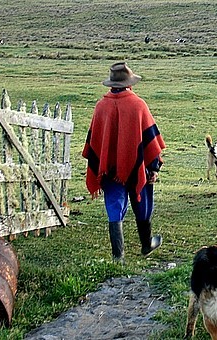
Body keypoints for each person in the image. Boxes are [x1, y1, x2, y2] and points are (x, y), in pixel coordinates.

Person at [82, 62, 167, 260]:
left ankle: (118, 256)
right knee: (142, 202)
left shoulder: (101, 106)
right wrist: (154, 167)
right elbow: (150, 140)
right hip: (138, 167)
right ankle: (146, 245)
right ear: (129, 83)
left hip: (110, 169)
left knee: (114, 206)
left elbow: (95, 141)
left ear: (112, 83)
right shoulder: (138, 105)